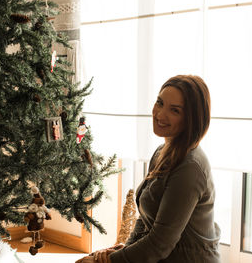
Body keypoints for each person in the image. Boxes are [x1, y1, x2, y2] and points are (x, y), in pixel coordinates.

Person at [76, 75, 221, 263]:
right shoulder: (163, 152)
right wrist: (125, 247)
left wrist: (111, 261)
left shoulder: (190, 168)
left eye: (174, 110)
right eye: (159, 103)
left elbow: (159, 243)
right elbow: (145, 220)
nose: (160, 114)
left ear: (190, 119)